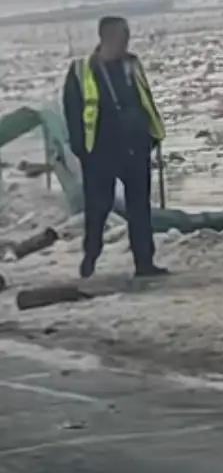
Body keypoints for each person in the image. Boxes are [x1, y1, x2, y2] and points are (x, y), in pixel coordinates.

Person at [63, 16, 169, 280]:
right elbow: (73, 111)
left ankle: (144, 263)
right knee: (98, 207)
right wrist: (83, 151)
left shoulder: (132, 64)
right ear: (107, 37)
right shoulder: (81, 70)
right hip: (100, 152)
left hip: (135, 146)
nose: (126, 41)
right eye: (122, 36)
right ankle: (91, 256)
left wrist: (151, 136)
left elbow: (145, 98)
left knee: (139, 207)